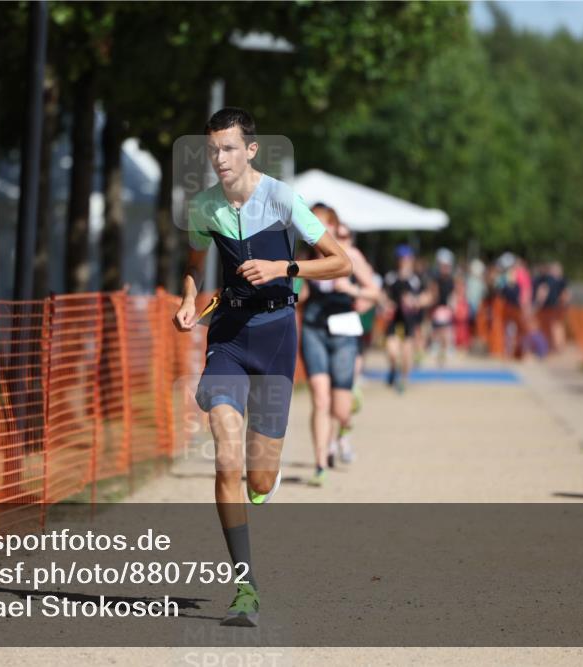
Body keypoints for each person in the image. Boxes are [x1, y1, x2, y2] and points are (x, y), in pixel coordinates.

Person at [173, 108, 351, 627]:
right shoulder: (204, 205)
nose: (219, 159)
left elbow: (337, 260)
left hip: (277, 338)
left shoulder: (281, 198)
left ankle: (262, 478)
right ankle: (245, 585)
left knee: (256, 475)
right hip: (227, 335)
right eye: (212, 150)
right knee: (225, 459)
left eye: (229, 149)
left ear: (250, 150)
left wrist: (284, 267)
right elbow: (193, 260)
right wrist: (189, 298)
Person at [298, 211, 379, 483]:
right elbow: (302, 295)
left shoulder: (351, 257)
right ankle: (320, 463)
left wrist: (352, 291)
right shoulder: (309, 258)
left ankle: (345, 423)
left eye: (325, 224)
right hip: (314, 329)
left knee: (340, 410)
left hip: (344, 330)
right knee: (320, 398)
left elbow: (374, 293)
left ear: (333, 227)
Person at [383, 244, 426, 393]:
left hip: (409, 320)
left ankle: (403, 380)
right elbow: (383, 295)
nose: (404, 261)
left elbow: (427, 297)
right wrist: (386, 304)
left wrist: (415, 301)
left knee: (407, 354)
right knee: (393, 352)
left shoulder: (416, 280)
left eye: (407, 259)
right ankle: (393, 369)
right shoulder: (390, 277)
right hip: (393, 319)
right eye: (402, 259)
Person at [428, 248, 457, 366]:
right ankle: (436, 348)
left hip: (446, 309)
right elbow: (433, 295)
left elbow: (453, 294)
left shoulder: (451, 280)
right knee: (438, 330)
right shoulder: (435, 279)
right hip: (437, 309)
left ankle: (444, 352)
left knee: (446, 331)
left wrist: (453, 305)